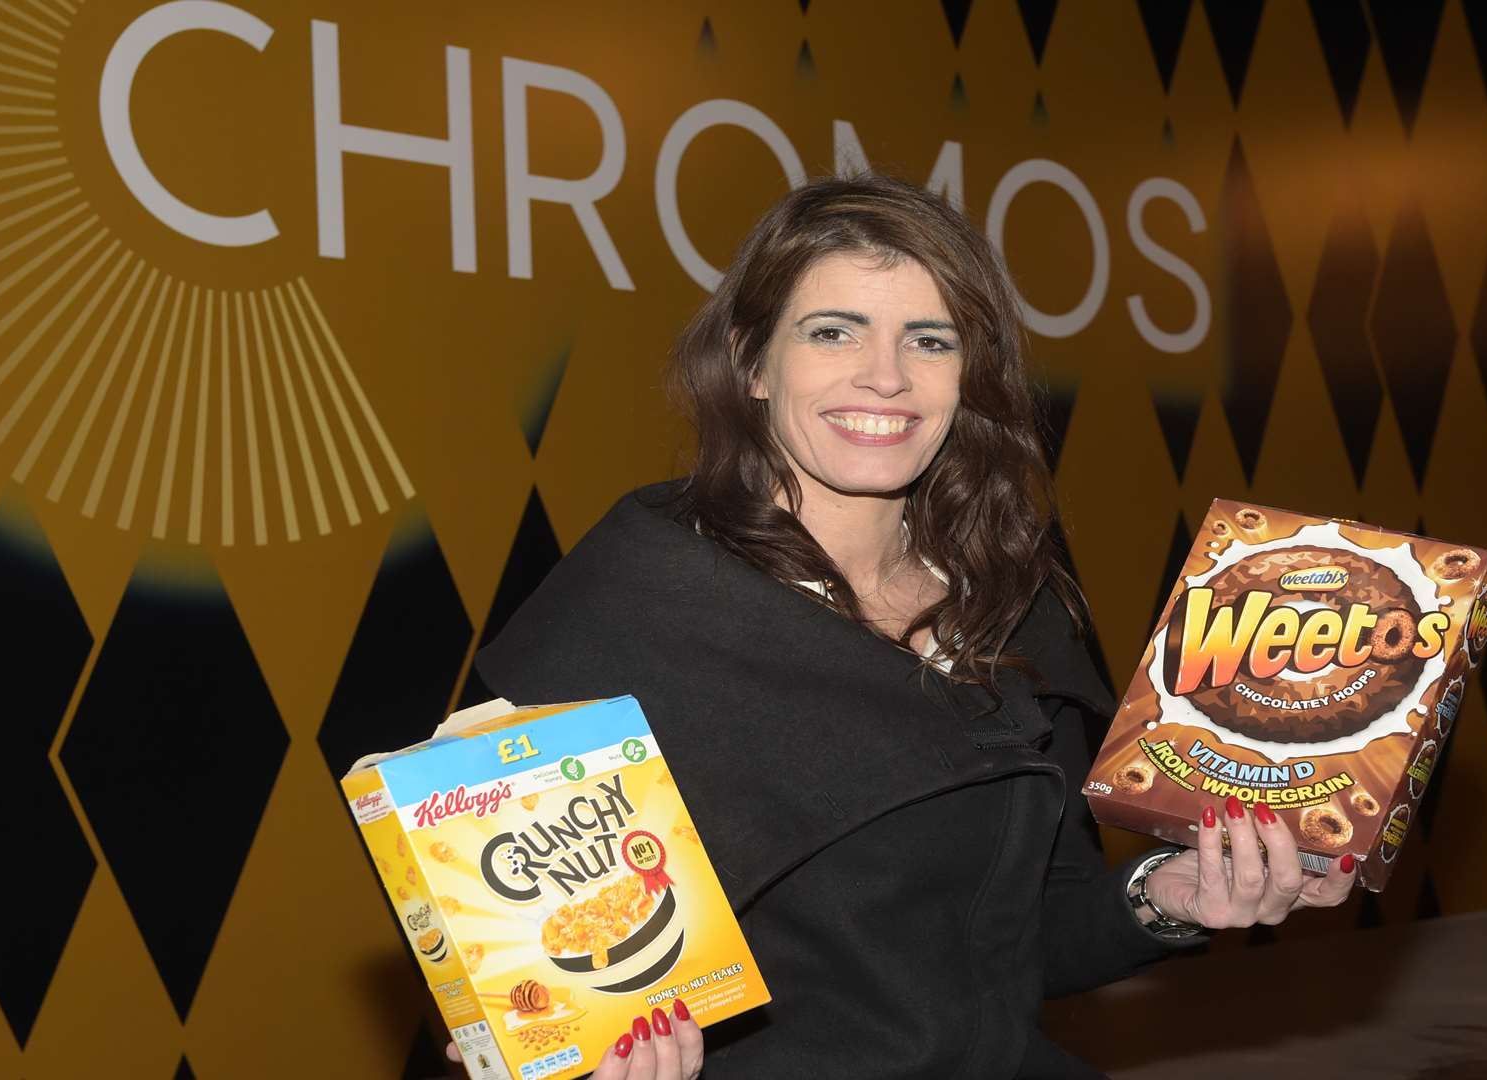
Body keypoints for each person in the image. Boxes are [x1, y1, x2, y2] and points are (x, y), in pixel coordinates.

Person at [447, 173, 1357, 1078]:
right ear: (752, 362)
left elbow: (1026, 941)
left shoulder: (1005, 596)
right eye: (833, 331)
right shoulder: (634, 608)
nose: (885, 376)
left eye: (929, 340)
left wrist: (1174, 899)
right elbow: (526, 995)